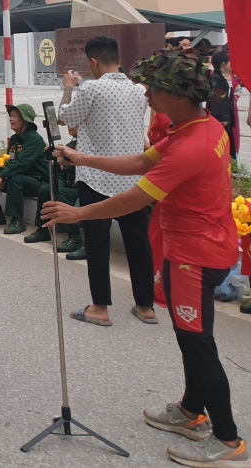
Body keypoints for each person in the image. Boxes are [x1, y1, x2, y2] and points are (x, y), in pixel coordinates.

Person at [47, 49, 246, 467]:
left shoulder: (191, 144)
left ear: (175, 93)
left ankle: (226, 439)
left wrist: (78, 213)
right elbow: (141, 161)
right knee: (189, 337)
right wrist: (84, 157)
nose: (147, 94)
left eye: (153, 87)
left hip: (196, 254)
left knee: (198, 344)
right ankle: (192, 411)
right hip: (195, 245)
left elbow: (134, 197)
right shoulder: (195, 125)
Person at [58, 34, 156, 327]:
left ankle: (100, 308)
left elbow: (66, 119)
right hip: (130, 178)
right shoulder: (139, 91)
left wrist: (69, 89)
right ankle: (146, 306)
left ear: (93, 61)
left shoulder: (90, 89)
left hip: (95, 178)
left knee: (97, 242)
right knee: (138, 242)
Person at [0, 103, 47, 235]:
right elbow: (10, 161)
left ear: (24, 120)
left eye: (14, 116)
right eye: (10, 116)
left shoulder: (35, 140)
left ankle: (17, 221)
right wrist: (1, 176)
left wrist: (2, 176)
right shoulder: (14, 139)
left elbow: (21, 163)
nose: (10, 119)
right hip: (18, 177)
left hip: (38, 181)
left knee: (15, 179)